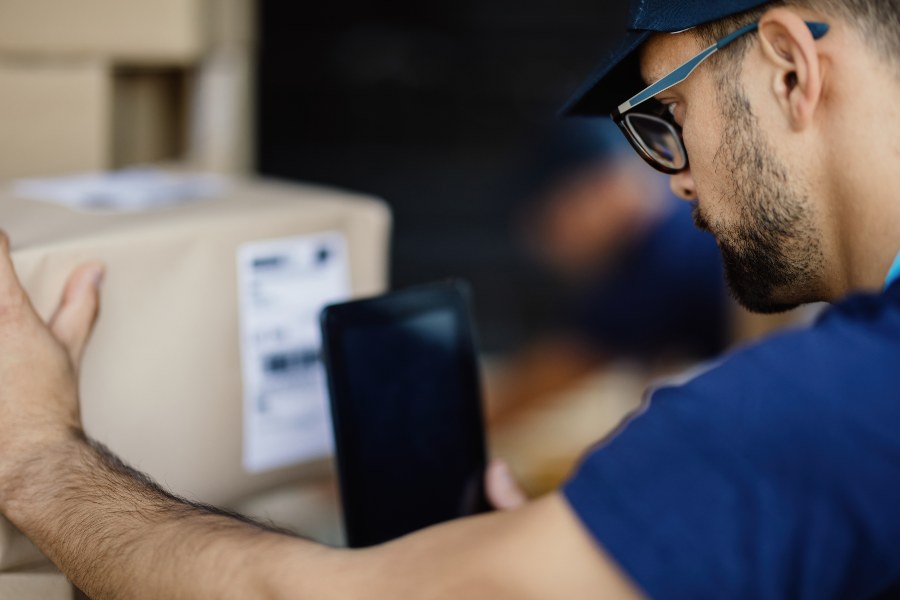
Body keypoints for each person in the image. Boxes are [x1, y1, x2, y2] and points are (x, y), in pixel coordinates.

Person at [1, 0, 899, 597]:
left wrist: (38, 460)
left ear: (789, 68)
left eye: (667, 116)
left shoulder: (820, 411)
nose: (677, 182)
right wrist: (601, 550)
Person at [490, 118, 728, 423]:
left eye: (550, 231)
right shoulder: (681, 211)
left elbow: (555, 370)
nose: (552, 258)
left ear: (588, 191)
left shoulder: (662, 252)